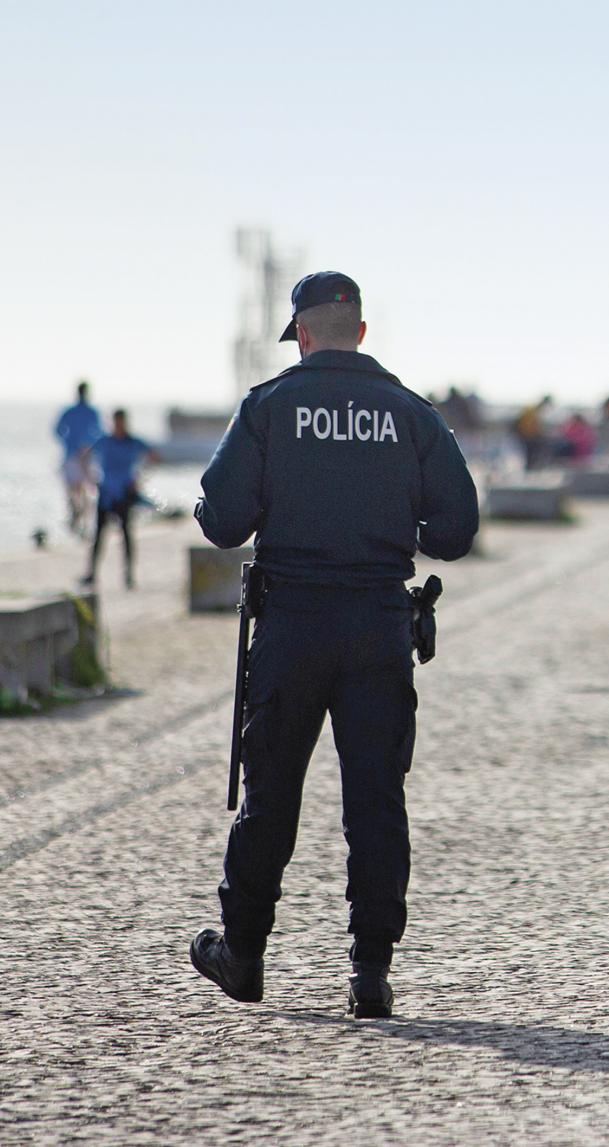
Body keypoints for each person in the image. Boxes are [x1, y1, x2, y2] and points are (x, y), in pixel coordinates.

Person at [188, 271, 479, 1019]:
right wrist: (388, 532)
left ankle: (244, 954)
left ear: (304, 334)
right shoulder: (410, 412)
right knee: (376, 801)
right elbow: (456, 531)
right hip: (379, 623)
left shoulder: (270, 406)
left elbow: (221, 520)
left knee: (271, 794)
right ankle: (371, 972)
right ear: (361, 333)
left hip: (292, 626)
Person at [80, 409, 156, 589]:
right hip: (106, 492)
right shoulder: (105, 441)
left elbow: (154, 457)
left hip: (124, 492)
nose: (118, 425)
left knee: (126, 534)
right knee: (99, 535)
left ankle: (129, 575)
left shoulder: (132, 442)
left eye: (121, 422)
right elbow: (84, 456)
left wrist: (140, 479)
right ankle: (92, 573)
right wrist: (91, 480)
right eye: (116, 422)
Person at [55, 382, 104, 537]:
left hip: (76, 455)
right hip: (83, 455)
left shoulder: (72, 411)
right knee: (81, 489)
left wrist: (69, 442)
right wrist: (86, 444)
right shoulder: (90, 412)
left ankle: (78, 517)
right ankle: (79, 517)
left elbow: (58, 430)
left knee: (75, 490)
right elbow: (98, 433)